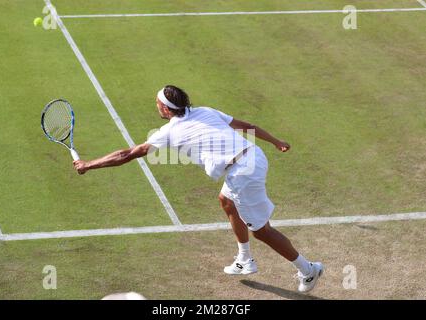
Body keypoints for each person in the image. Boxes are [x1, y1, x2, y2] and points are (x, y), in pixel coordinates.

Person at [73, 85, 324, 292]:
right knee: (226, 201)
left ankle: (308, 270)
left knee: (262, 231)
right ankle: (245, 259)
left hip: (242, 173)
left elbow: (127, 154)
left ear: (164, 108)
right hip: (253, 158)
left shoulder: (168, 132)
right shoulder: (205, 111)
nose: (155, 106)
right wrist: (276, 142)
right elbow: (247, 126)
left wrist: (88, 164)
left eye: (156, 103)